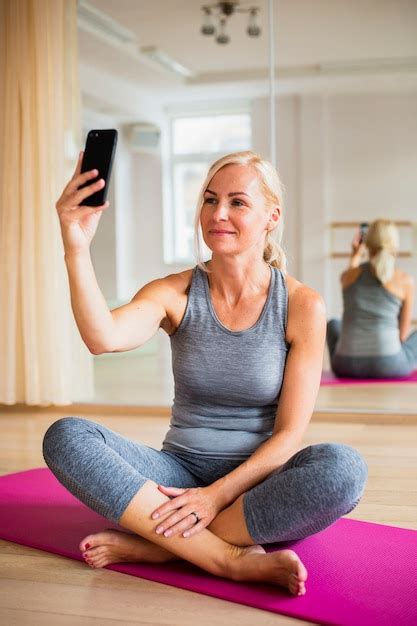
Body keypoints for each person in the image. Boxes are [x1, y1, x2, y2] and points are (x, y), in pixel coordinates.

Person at [43, 150, 368, 597]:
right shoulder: (174, 292)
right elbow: (103, 338)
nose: (219, 214)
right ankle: (226, 558)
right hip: (174, 477)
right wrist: (75, 244)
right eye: (210, 200)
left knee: (343, 470)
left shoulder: (301, 305)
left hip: (256, 488)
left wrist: (214, 497)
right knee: (66, 436)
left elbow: (290, 435)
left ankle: (161, 546)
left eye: (238, 202)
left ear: (272, 216)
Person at [327, 219, 417, 378]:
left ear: (367, 244)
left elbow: (350, 274)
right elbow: (402, 336)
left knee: (334, 324)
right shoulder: (405, 281)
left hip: (345, 365)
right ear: (394, 245)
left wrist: (355, 254)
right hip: (388, 365)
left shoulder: (349, 276)